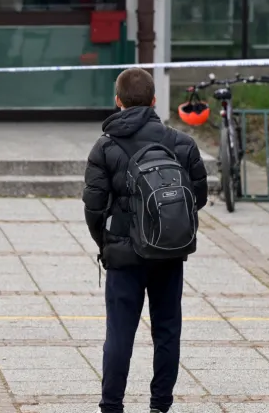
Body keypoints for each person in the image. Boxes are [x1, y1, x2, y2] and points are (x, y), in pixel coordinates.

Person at [83, 68, 209, 413]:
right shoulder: (182, 144)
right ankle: (160, 405)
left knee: (120, 334)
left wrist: (106, 245)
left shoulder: (105, 147)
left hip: (123, 255)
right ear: (154, 101)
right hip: (168, 252)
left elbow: (93, 207)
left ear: (117, 101)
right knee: (167, 330)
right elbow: (197, 197)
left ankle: (111, 406)